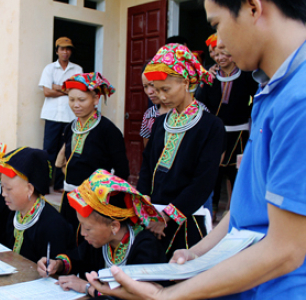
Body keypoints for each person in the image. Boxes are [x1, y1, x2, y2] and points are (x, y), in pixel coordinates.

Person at [87, 0, 306, 298]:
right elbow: (247, 205)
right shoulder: (271, 92)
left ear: (253, 8)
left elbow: (286, 249)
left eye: (216, 24)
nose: (220, 45)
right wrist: (197, 253)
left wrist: (165, 296)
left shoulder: (298, 100)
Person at [136, 43, 225, 259]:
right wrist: (145, 206)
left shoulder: (211, 126)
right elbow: (147, 166)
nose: (161, 96)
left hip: (186, 220)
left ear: (185, 82)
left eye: (165, 89)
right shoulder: (159, 123)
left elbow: (203, 181)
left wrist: (168, 217)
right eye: (156, 90)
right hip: (153, 220)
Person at [37, 169, 166, 298]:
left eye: (87, 228)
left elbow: (141, 296)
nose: (82, 233)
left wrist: (88, 287)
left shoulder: (146, 248)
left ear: (114, 226)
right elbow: (78, 258)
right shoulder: (100, 241)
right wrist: (57, 264)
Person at [59, 72, 130, 235]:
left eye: (81, 100)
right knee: (68, 237)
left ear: (96, 99)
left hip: (95, 202)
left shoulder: (108, 131)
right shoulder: (69, 128)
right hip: (69, 198)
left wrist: (106, 201)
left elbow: (122, 171)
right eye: (71, 100)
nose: (76, 105)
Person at [198, 41, 257, 215]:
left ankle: (233, 209)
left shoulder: (246, 74)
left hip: (239, 132)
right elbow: (201, 101)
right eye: (214, 54)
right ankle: (213, 208)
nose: (219, 57)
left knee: (235, 171)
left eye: (223, 52)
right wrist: (205, 80)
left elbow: (256, 99)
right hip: (216, 132)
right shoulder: (210, 74)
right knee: (214, 170)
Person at [0, 147, 75, 263]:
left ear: (29, 189)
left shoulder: (52, 225)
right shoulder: (14, 214)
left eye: (8, 188)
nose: (3, 194)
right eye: (2, 187)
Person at [39, 37, 83, 193]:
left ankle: (59, 184)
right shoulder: (49, 69)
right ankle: (44, 184)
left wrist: (57, 87)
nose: (65, 52)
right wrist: (67, 89)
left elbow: (78, 91)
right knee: (48, 151)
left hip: (70, 117)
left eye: (68, 49)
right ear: (57, 50)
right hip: (52, 116)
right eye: (62, 49)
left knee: (66, 152)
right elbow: (46, 92)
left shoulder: (77, 69)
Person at [140, 65, 170, 147]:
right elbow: (148, 151)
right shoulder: (149, 115)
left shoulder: (194, 111)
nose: (149, 92)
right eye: (145, 86)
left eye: (152, 85)